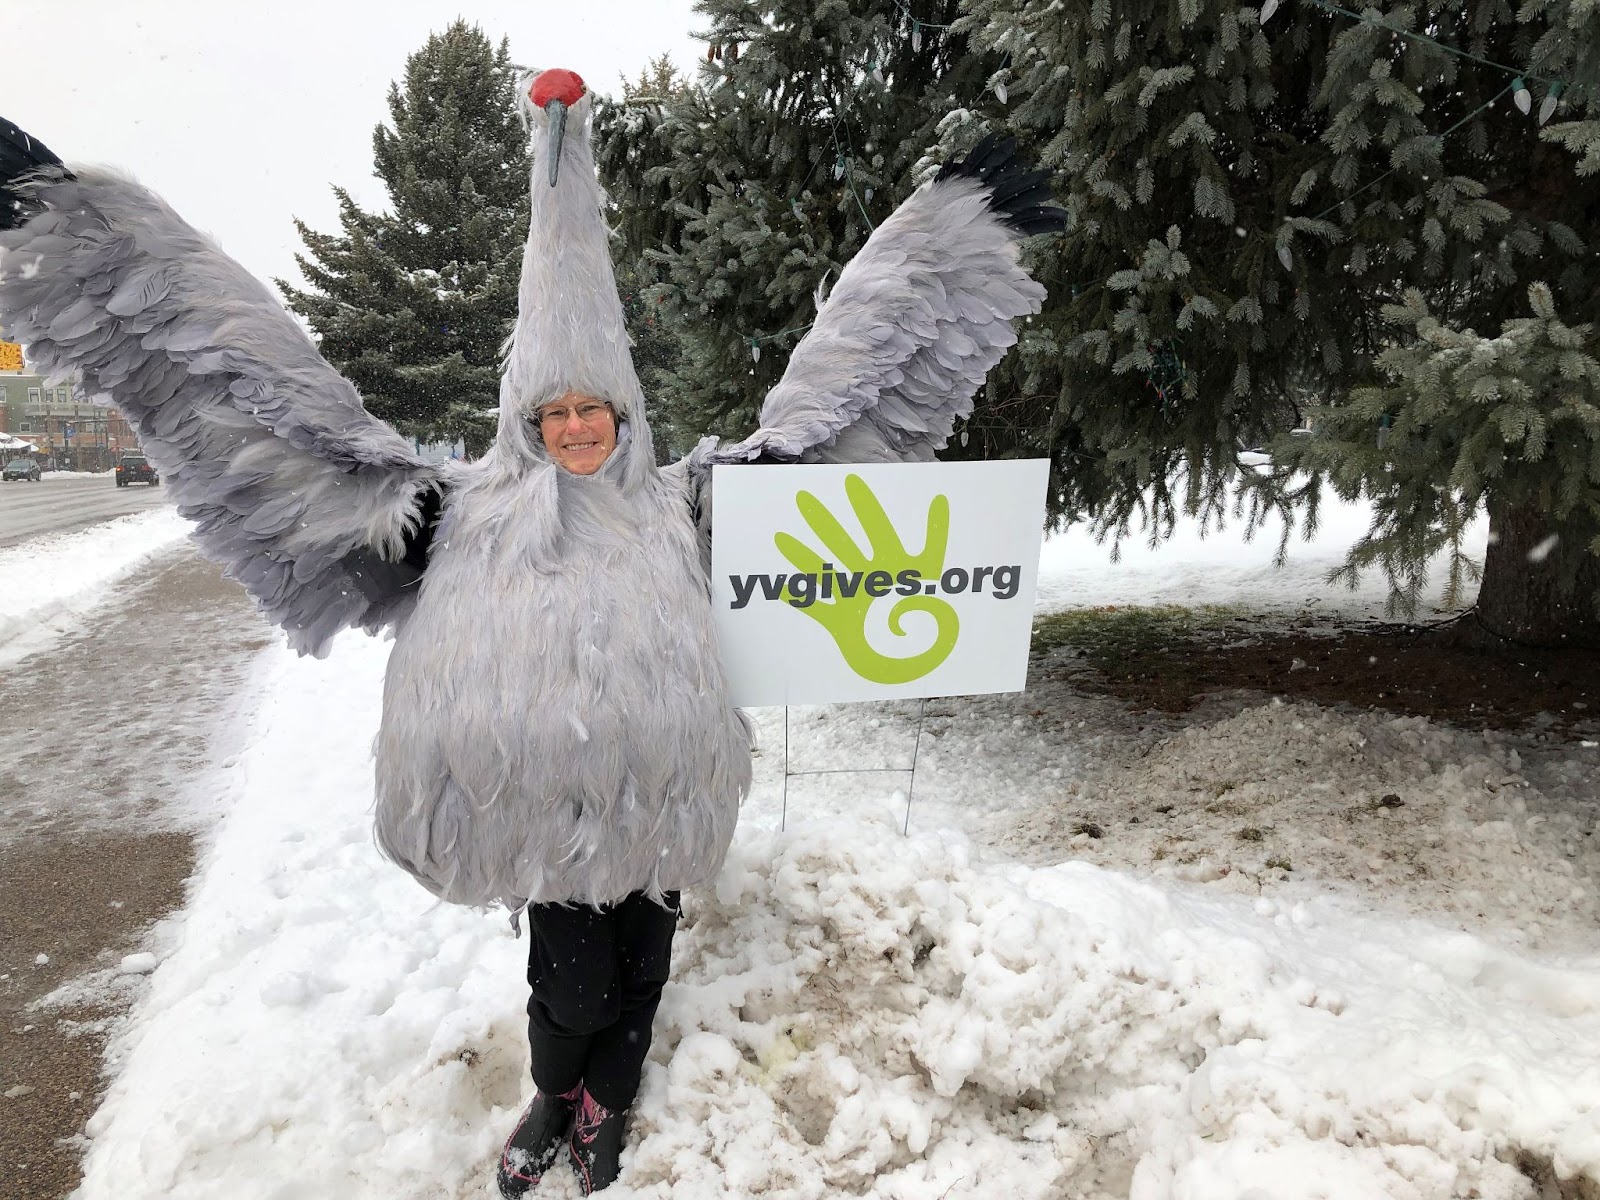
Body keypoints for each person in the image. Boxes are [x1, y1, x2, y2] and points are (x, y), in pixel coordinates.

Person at [0, 63, 1061, 1197]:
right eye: (551, 412)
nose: (572, 428)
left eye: (589, 409)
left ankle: (610, 1101)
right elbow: (235, 376)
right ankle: (560, 1092)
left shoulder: (695, 505)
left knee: (640, 975)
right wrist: (78, 234)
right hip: (544, 824)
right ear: (527, 418)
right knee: (574, 991)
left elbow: (848, 395)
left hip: (662, 809)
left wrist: (955, 231)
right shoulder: (439, 515)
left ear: (622, 414)